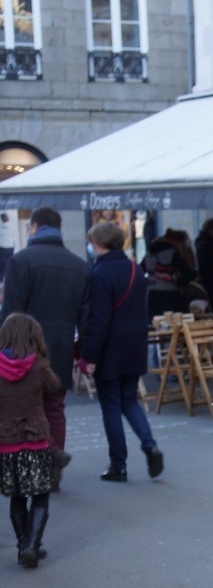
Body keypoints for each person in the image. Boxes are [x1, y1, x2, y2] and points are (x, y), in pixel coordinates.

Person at [0, 207, 90, 490]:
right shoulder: (79, 266)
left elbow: (11, 311)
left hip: (24, 347)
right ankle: (53, 472)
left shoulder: (21, 261)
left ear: (35, 227)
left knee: (25, 409)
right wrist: (83, 352)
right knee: (54, 408)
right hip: (62, 345)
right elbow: (84, 315)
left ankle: (35, 467)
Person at [78, 222, 163, 483]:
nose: (91, 247)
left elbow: (99, 320)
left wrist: (89, 356)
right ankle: (150, 445)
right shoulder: (133, 268)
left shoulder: (101, 273)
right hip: (135, 344)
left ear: (100, 243)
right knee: (129, 400)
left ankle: (119, 464)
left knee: (111, 407)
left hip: (110, 348)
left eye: (92, 242)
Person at [0, 313, 60, 568]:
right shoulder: (39, 366)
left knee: (17, 496)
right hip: (36, 440)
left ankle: (22, 545)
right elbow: (54, 385)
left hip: (6, 442)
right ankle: (33, 545)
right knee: (40, 493)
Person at [142, 228, 195, 319]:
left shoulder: (149, 253)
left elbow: (141, 270)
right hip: (170, 295)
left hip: (152, 295)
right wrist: (179, 282)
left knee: (155, 325)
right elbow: (187, 274)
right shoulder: (173, 253)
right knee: (172, 324)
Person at [195, 218, 213, 311]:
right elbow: (205, 265)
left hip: (212, 279)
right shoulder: (205, 244)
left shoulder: (208, 243)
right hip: (210, 280)